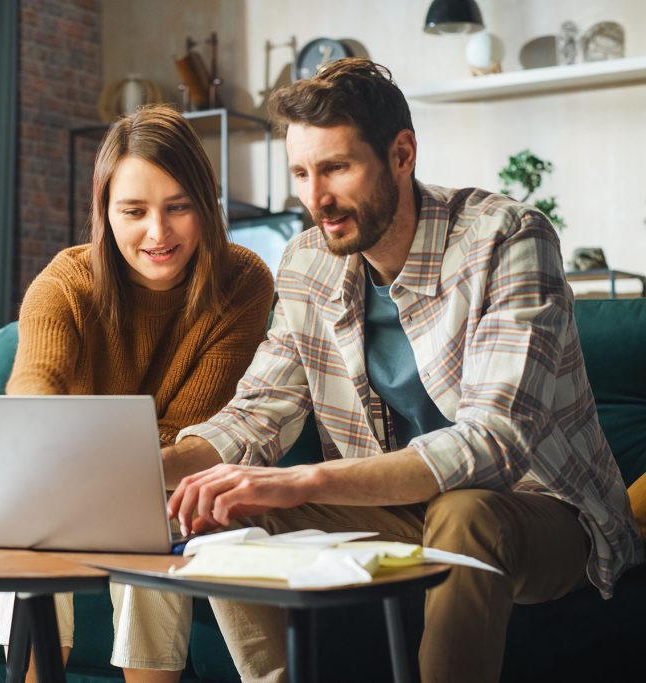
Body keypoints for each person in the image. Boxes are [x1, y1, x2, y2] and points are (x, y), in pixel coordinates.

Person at [163, 59, 643, 683]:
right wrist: (149, 469)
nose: (316, 199)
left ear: (402, 153)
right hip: (400, 510)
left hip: (541, 510)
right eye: (302, 174)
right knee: (229, 510)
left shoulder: (508, 238)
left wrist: (304, 481)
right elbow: (259, 409)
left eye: (336, 168)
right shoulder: (308, 262)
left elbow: (494, 445)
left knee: (466, 512)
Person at [0, 104, 274, 682]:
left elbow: (199, 430)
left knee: (150, 533)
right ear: (104, 212)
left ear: (206, 206)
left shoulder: (243, 281)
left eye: (178, 207)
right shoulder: (67, 281)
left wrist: (102, 468)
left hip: (168, 481)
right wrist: (54, 460)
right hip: (59, 481)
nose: (158, 233)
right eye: (134, 211)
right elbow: (33, 394)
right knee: (26, 536)